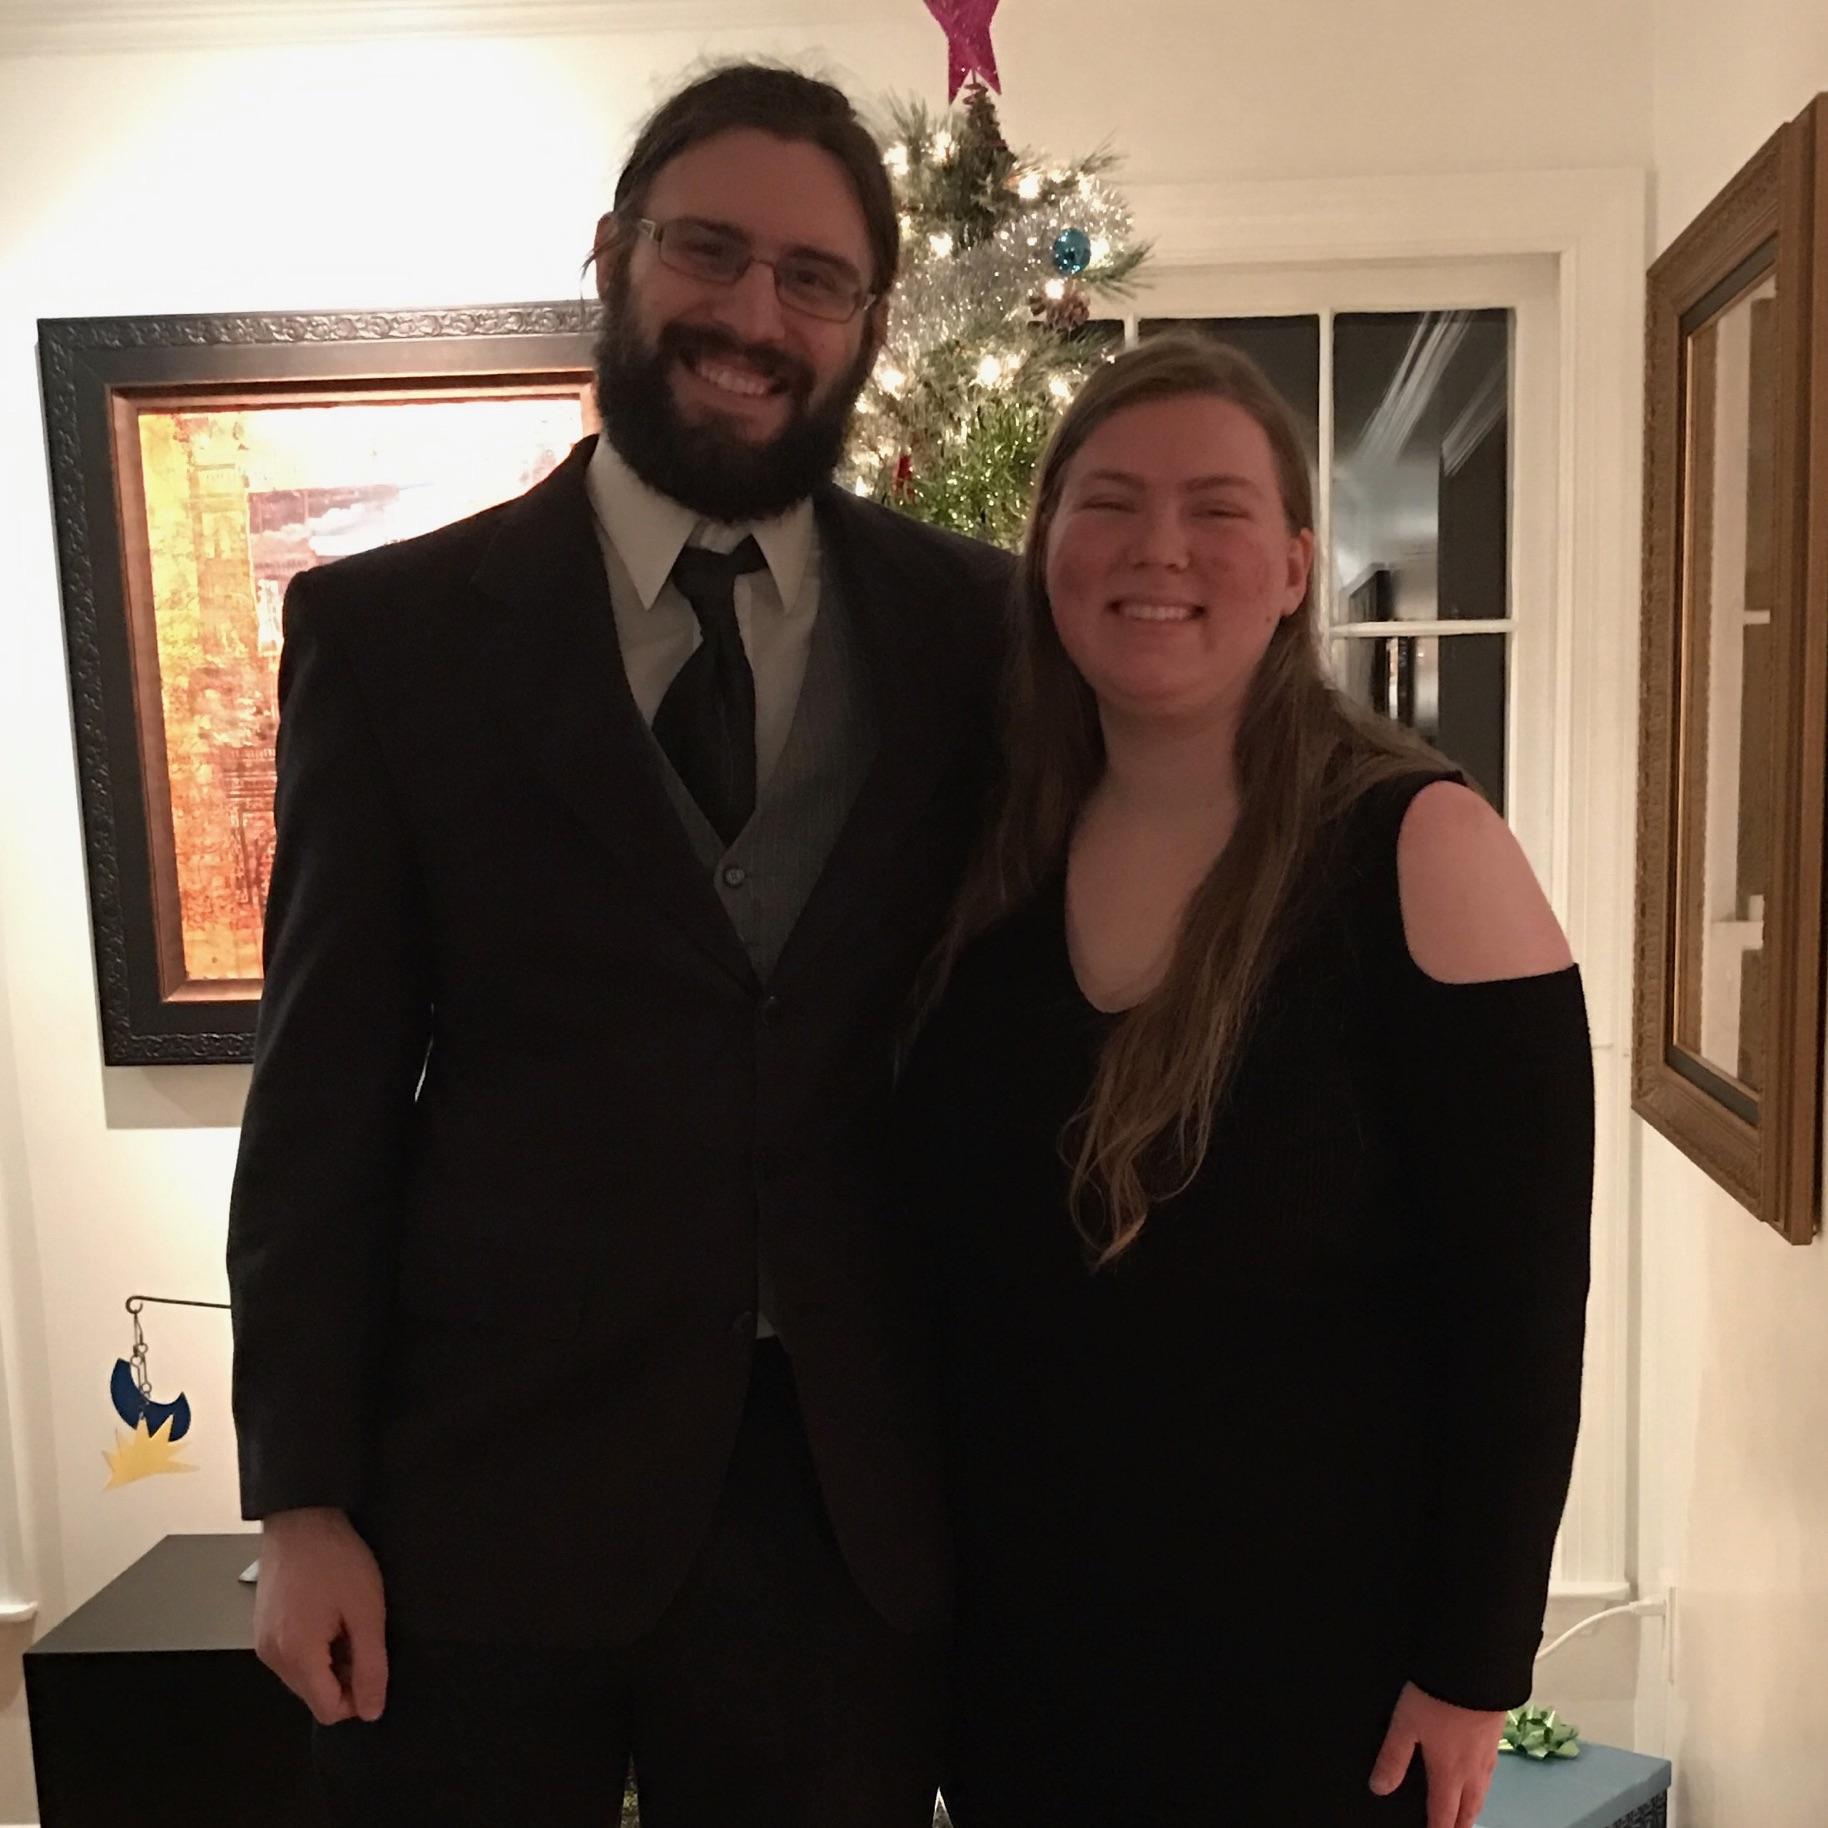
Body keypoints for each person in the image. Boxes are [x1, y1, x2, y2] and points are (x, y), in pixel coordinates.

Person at [228, 62, 1012, 1828]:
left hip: (849, 1510)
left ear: (870, 323)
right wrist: (302, 1497)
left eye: (813, 278)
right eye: (707, 250)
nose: (754, 316)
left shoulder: (976, 631)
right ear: (613, 256)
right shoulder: (394, 637)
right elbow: (325, 1094)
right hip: (482, 1495)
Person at [896, 334, 1593, 1828]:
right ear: (1045, 551)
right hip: (1023, 1671)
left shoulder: (1423, 851)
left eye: (1215, 508)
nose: (1160, 549)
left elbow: (1522, 1317)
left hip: (1322, 1689)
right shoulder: (990, 859)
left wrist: (1475, 1664)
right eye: (1109, 502)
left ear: (1291, 570)